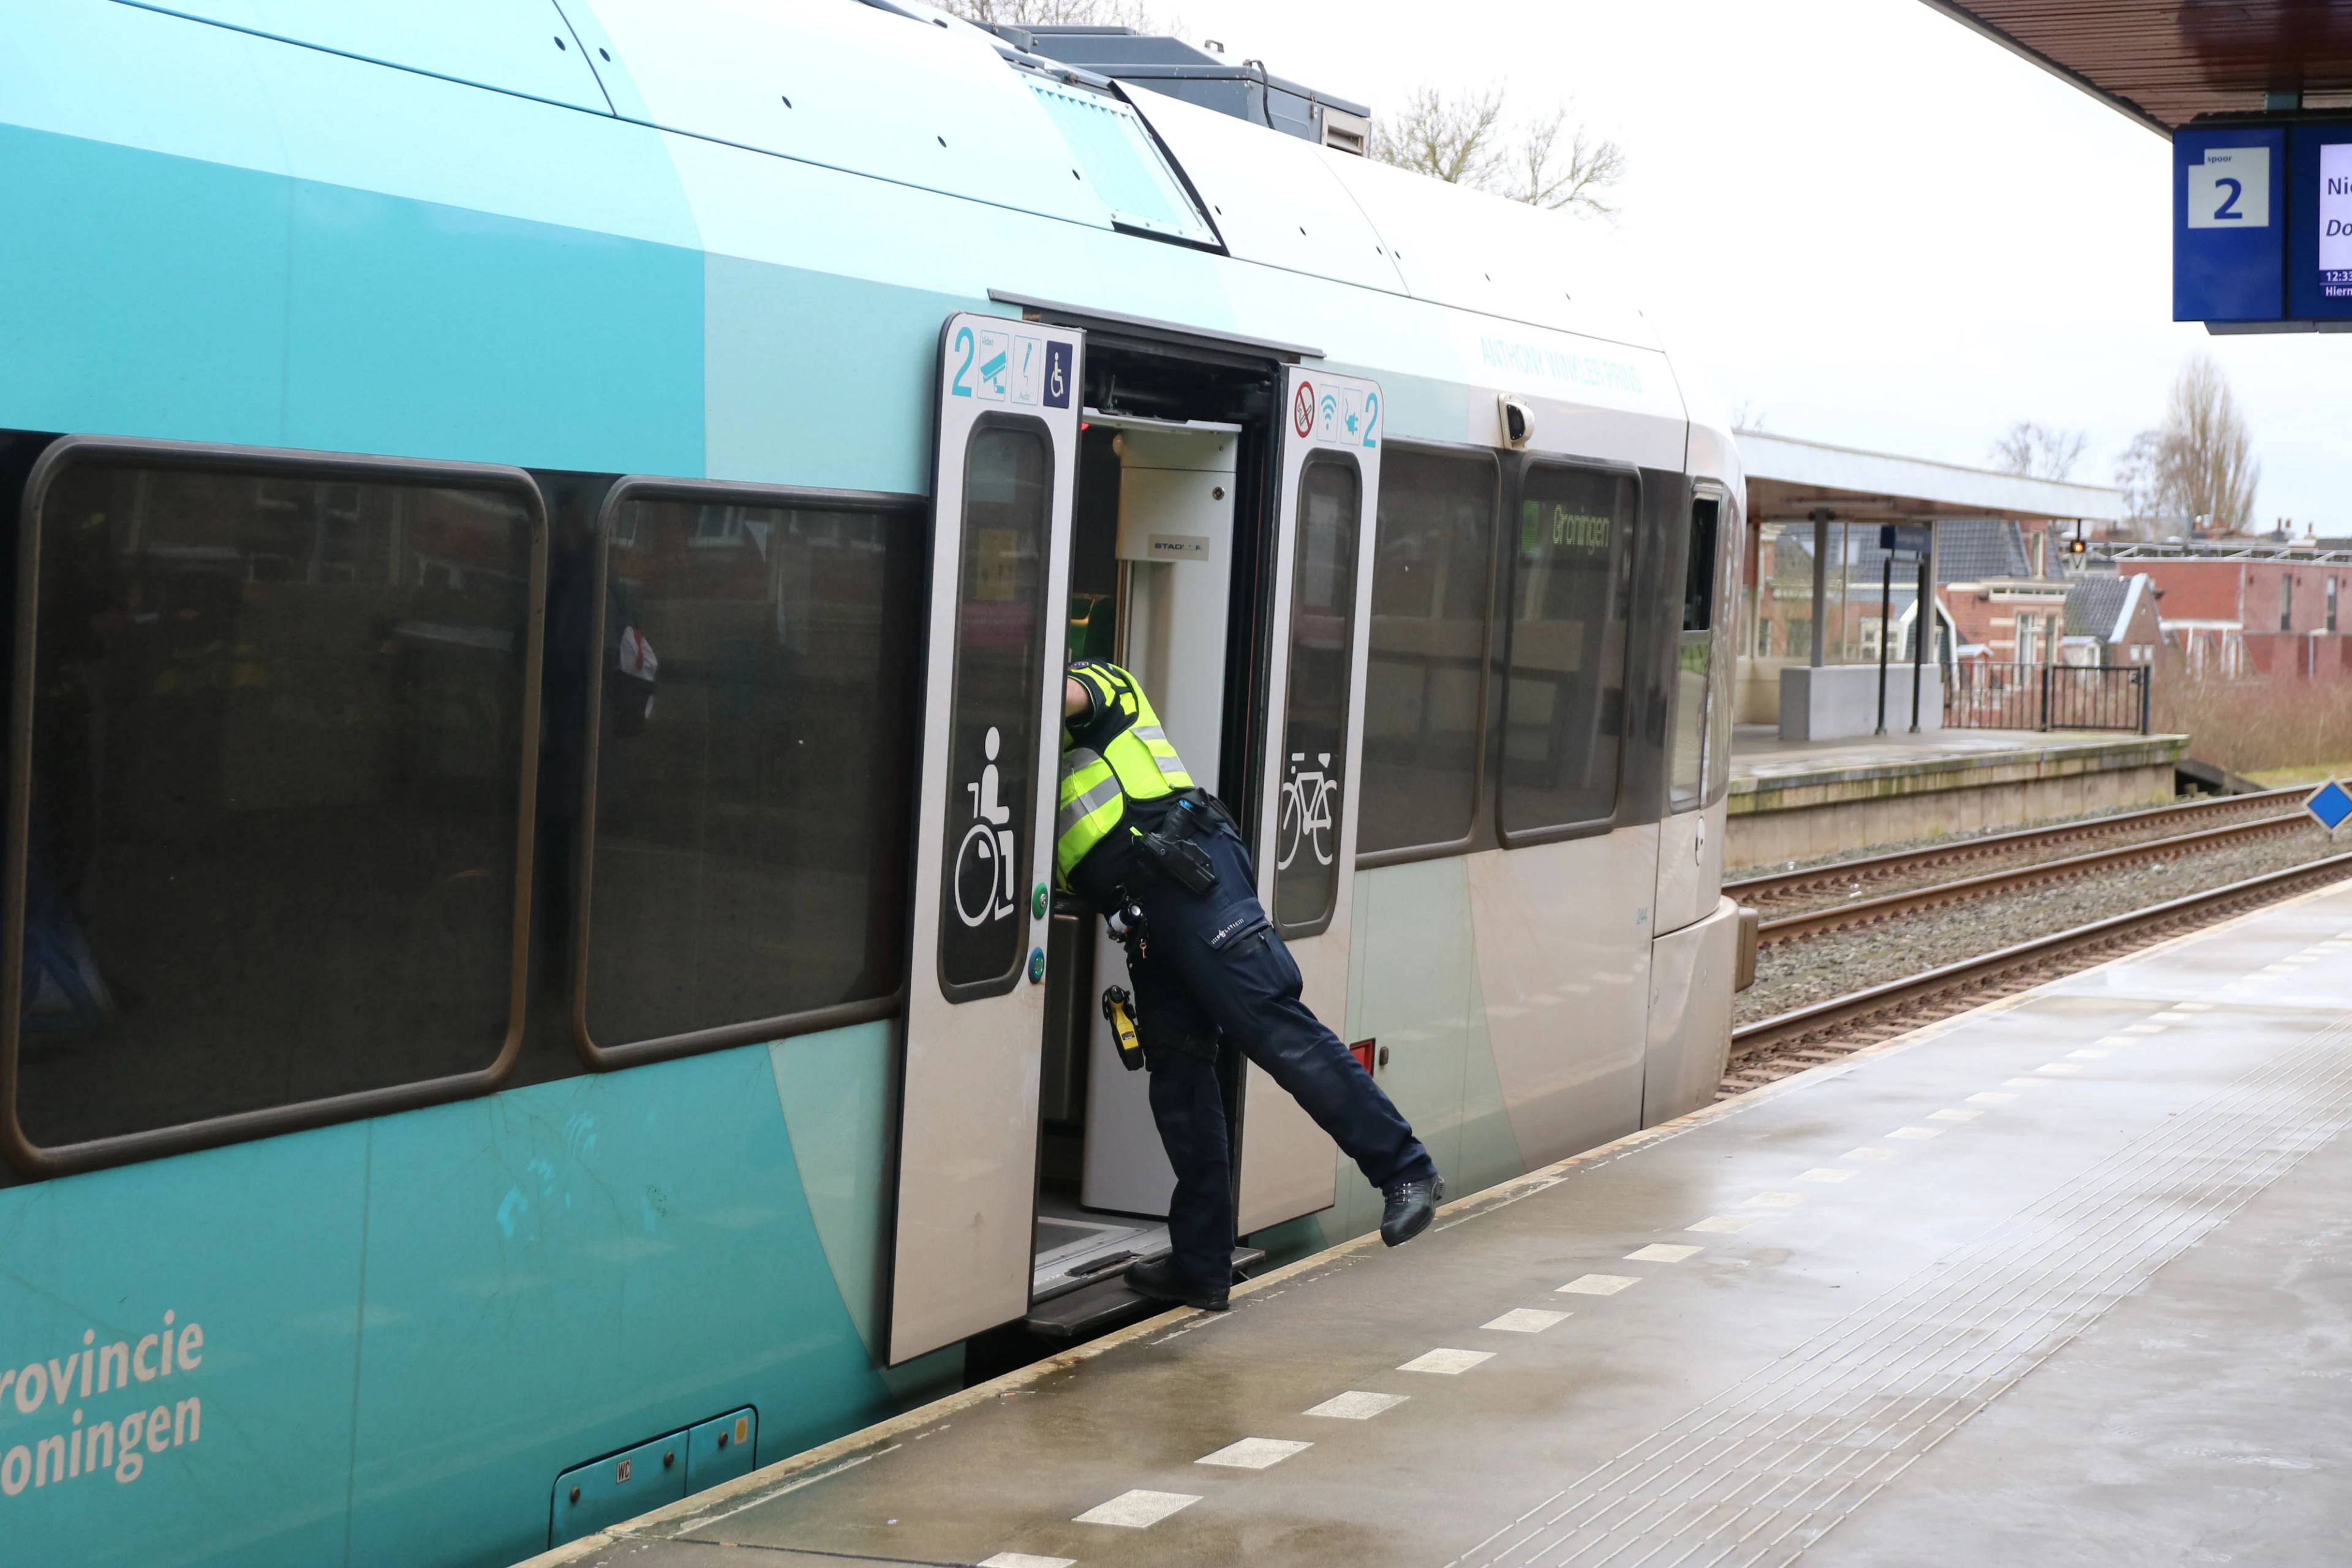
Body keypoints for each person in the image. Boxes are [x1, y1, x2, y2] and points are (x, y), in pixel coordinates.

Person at [1057, 659, 1443, 1313]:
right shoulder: (1040, 769)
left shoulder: (1103, 682)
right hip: (1146, 919)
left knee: (1271, 1026)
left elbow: (1057, 691)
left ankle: (1406, 1171)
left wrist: (994, 675)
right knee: (1180, 1077)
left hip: (1192, 873)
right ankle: (1201, 1264)